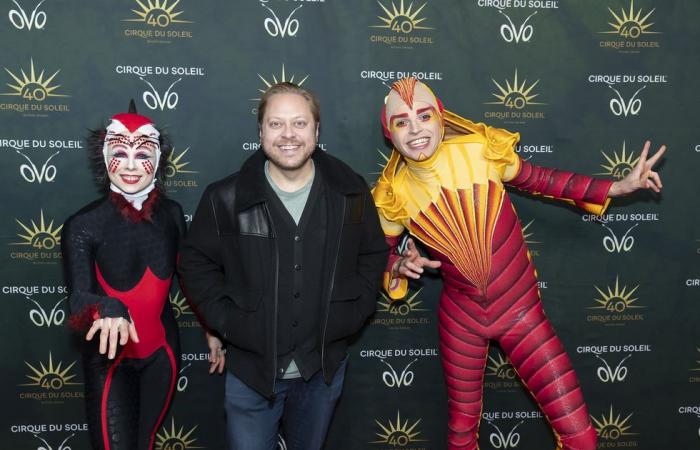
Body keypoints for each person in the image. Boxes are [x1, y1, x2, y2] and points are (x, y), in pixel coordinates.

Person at [372, 78, 666, 450]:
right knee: (461, 435)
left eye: (424, 115)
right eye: (401, 121)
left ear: (441, 118)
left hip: (520, 312)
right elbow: (376, 254)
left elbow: (541, 179)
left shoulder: (481, 150)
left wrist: (613, 188)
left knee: (580, 435)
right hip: (461, 320)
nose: (415, 129)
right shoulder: (392, 194)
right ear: (389, 133)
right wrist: (397, 264)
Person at [178, 82, 388, 450]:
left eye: (299, 124)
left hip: (322, 370)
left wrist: (352, 312)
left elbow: (371, 253)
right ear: (260, 132)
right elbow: (195, 263)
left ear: (317, 130)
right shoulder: (224, 197)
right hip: (251, 374)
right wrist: (227, 321)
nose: (288, 135)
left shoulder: (350, 192)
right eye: (276, 124)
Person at [61, 102, 224, 450]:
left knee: (145, 443)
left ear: (159, 160)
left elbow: (189, 276)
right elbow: (77, 298)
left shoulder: (172, 215)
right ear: (105, 159)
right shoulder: (83, 225)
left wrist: (211, 329)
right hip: (109, 360)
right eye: (121, 152)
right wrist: (108, 307)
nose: (132, 166)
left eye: (143, 153)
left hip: (161, 352)